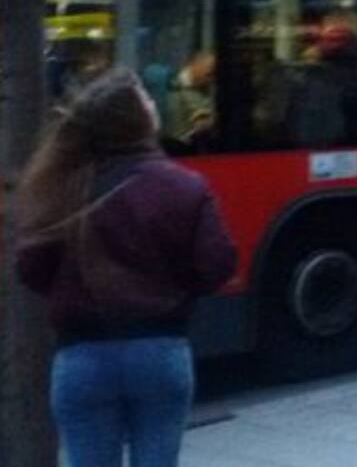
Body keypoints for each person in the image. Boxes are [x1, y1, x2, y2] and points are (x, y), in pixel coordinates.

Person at [17, 67, 236, 467]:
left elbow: (31, 269)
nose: (154, 102)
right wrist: (174, 287)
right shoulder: (185, 187)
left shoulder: (61, 187)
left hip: (81, 356)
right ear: (137, 118)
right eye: (146, 98)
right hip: (160, 350)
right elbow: (217, 266)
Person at [164, 50, 216, 148]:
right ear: (196, 65)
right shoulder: (174, 88)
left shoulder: (205, 88)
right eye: (209, 74)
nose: (211, 79)